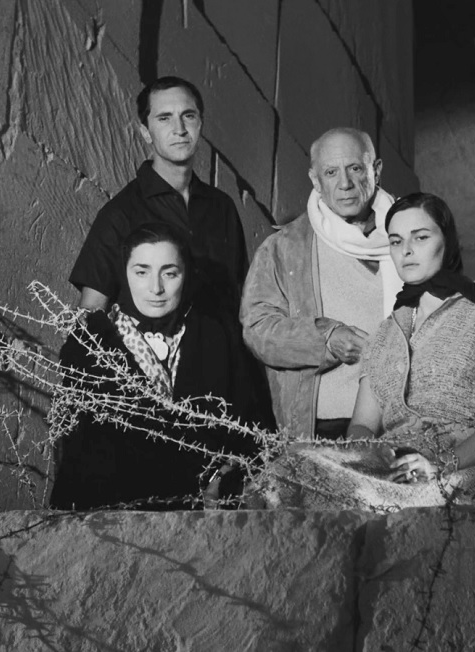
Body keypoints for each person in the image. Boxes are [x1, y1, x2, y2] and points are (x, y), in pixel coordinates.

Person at [347, 192, 475, 504]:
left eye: (420, 237)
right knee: (290, 469)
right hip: (390, 464)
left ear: (447, 241)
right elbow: (361, 424)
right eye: (396, 241)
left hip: (458, 465)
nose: (406, 250)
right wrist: (368, 457)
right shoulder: (384, 333)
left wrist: (439, 465)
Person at [50, 223, 255, 510]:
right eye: (141, 272)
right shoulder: (91, 346)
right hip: (111, 513)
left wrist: (225, 475)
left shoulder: (215, 337)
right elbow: (81, 452)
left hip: (199, 513)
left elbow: (246, 426)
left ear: (186, 275)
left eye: (169, 273)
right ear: (124, 273)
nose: (156, 288)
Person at [240, 127, 403, 440]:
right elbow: (257, 329)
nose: (345, 183)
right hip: (320, 428)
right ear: (315, 180)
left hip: (401, 422)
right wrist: (326, 340)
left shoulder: (411, 236)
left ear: (376, 170)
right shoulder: (284, 248)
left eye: (355, 168)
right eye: (331, 172)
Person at [69, 76, 246, 320]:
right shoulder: (120, 212)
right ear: (146, 133)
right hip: (148, 346)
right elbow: (91, 311)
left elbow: (242, 301)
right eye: (164, 118)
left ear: (200, 124)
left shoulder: (222, 207)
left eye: (188, 116)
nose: (179, 129)